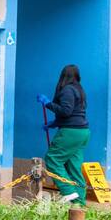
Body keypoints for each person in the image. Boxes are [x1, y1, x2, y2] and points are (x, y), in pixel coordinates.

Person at [37, 64, 89, 205]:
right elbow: (73, 113)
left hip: (70, 132)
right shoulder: (80, 90)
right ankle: (79, 203)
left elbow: (66, 111)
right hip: (82, 132)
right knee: (74, 167)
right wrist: (53, 124)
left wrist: (47, 103)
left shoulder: (67, 90)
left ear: (63, 76)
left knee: (52, 159)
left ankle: (68, 191)